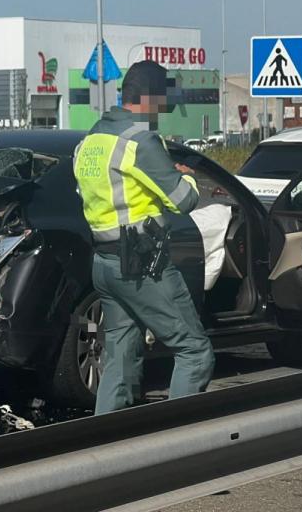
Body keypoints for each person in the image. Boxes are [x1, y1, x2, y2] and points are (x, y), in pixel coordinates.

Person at [73, 60, 214, 415]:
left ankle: (105, 444)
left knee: (119, 355)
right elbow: (184, 201)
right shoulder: (141, 140)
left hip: (103, 264)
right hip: (140, 263)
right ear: (151, 98)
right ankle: (176, 443)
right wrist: (188, 178)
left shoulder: (91, 140)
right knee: (194, 352)